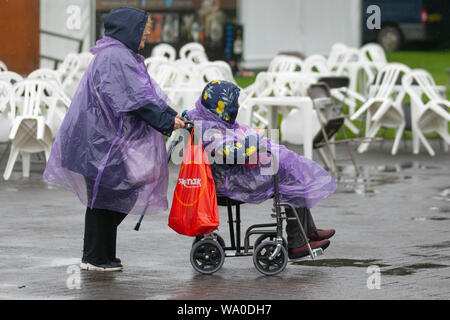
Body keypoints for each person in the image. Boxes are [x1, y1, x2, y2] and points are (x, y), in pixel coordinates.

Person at [43, 7, 185, 271]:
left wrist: (170, 115)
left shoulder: (118, 55)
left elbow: (144, 94)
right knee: (107, 196)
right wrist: (166, 120)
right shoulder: (116, 56)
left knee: (107, 196)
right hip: (100, 143)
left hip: (99, 142)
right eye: (144, 32)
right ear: (129, 31)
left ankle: (101, 254)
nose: (147, 37)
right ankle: (95, 257)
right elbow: (133, 99)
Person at [186, 81, 337, 259]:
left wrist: (251, 135)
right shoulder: (209, 131)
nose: (238, 106)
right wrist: (255, 136)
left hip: (229, 173)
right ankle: (298, 242)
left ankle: (307, 231)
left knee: (291, 174)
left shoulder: (206, 118)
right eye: (233, 103)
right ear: (221, 106)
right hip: (228, 181)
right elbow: (236, 153)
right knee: (290, 179)